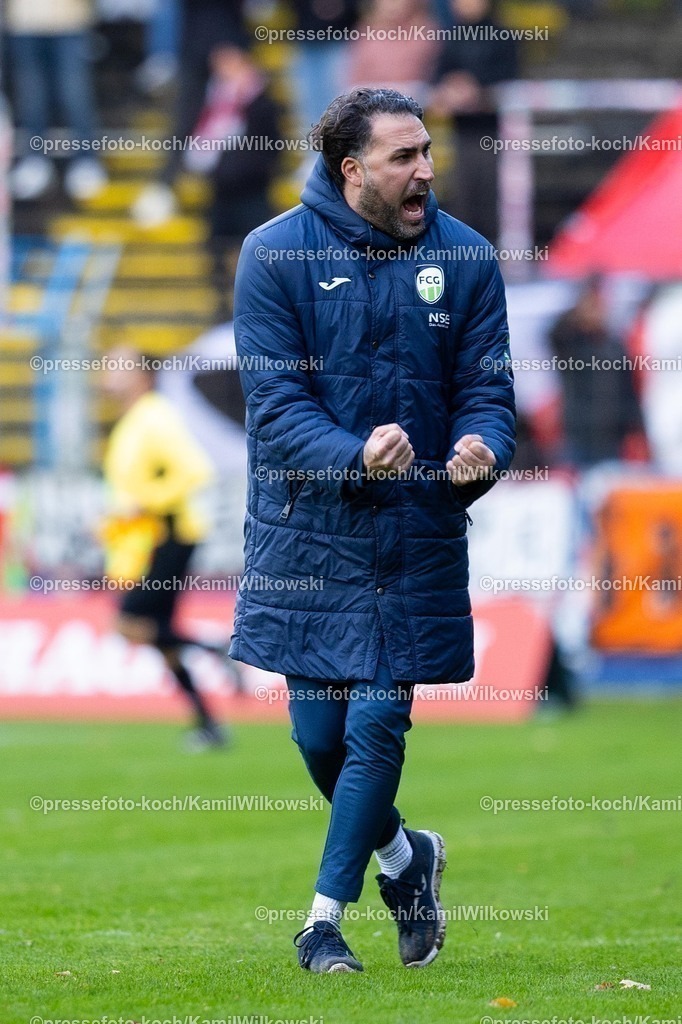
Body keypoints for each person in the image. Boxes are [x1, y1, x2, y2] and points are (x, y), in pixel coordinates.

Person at [229, 87, 516, 972]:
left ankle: (321, 923)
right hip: (307, 534)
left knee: (375, 731)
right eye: (403, 157)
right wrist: (355, 455)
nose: (425, 169)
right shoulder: (273, 255)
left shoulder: (465, 257)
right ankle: (407, 859)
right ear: (352, 169)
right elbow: (274, 404)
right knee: (319, 740)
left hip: (413, 531)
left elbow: (489, 389)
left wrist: (481, 446)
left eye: (426, 150)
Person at [101, 347, 227, 750]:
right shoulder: (136, 419)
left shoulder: (155, 416)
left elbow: (196, 471)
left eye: (117, 363)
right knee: (160, 637)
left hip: (170, 537)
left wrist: (144, 501)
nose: (107, 371)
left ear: (141, 375)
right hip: (152, 541)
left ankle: (216, 647)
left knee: (130, 623)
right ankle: (209, 725)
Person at [430, 0, 518, 243]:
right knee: (463, 193)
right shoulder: (452, 36)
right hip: (462, 130)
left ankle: (493, 251)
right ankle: (464, 250)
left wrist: (477, 89)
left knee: (491, 192)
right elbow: (437, 74)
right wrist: (449, 87)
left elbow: (509, 75)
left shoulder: (503, 35)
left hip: (493, 130)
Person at [549, 277, 644, 469]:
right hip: (578, 435)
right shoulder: (573, 342)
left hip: (612, 438)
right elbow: (555, 333)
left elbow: (628, 390)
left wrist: (636, 428)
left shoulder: (615, 346)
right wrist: (578, 310)